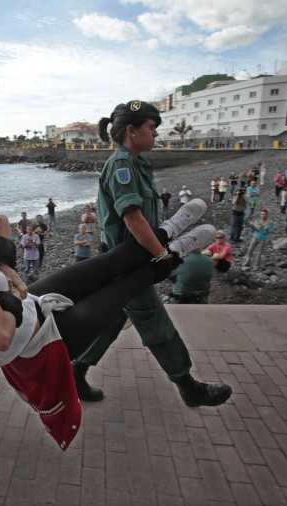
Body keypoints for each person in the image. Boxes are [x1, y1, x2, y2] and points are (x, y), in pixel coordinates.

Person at [0, 171, 213, 448]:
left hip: (32, 305)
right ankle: (175, 252)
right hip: (40, 343)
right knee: (124, 287)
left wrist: (6, 266)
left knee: (106, 264)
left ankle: (166, 230)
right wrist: (7, 302)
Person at [70, 100, 231, 408]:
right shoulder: (122, 165)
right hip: (127, 263)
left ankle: (77, 370)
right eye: (151, 128)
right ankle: (188, 385)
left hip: (129, 259)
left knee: (113, 319)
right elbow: (133, 219)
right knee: (156, 322)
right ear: (132, 130)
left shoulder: (135, 163)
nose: (156, 134)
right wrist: (162, 256)